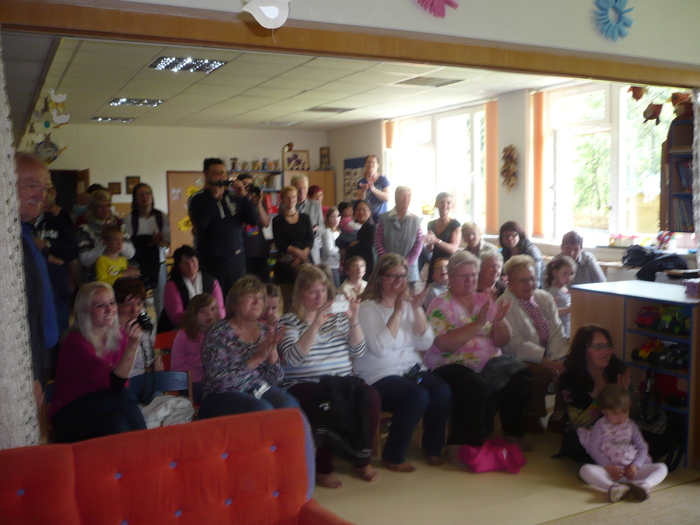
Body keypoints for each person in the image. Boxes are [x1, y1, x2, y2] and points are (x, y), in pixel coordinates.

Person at [278, 265, 380, 488]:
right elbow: (293, 359)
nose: (319, 297)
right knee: (328, 402)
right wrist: (315, 324)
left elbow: (358, 351)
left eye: (323, 291)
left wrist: (353, 320)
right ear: (300, 294)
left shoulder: (339, 318)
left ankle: (361, 459)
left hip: (341, 380)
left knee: (370, 396)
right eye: (312, 292)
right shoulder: (288, 321)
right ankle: (322, 467)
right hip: (304, 383)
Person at [425, 251, 532, 456]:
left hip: (487, 359)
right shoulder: (440, 304)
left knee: (518, 372)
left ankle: (513, 431)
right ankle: (461, 444)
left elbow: (502, 340)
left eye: (473, 275)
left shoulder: (484, 299)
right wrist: (479, 323)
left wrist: (498, 320)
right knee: (472, 385)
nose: (470, 280)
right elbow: (444, 344)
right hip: (449, 363)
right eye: (463, 276)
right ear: (450, 277)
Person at [356, 254, 451, 470]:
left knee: (441, 390)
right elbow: (380, 348)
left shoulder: (408, 305)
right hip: (378, 374)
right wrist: (398, 312)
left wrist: (415, 308)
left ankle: (433, 448)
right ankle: (393, 455)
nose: (398, 281)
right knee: (417, 395)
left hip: (409, 369)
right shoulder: (367, 308)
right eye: (392, 276)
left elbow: (425, 342)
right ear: (379, 278)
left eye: (402, 276)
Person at [48, 282, 147, 442]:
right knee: (121, 397)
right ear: (85, 311)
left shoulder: (119, 335)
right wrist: (133, 346)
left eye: (112, 303)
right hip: (70, 414)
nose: (109, 309)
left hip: (105, 408)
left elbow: (123, 383)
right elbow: (116, 383)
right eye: (100, 306)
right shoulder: (75, 342)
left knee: (116, 422)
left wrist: (131, 344)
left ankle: (136, 454)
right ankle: (147, 446)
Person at [197, 275, 299, 419]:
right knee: (262, 409)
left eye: (261, 298)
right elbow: (219, 381)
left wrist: (272, 351)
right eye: (251, 297)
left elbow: (275, 380)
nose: (257, 302)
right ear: (234, 303)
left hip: (257, 388)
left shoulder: (264, 331)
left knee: (289, 405)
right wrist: (257, 358)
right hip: (220, 395)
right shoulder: (218, 332)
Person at [499, 254, 569, 432]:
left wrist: (557, 359)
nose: (529, 284)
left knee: (568, 366)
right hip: (518, 356)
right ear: (510, 283)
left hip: (549, 354)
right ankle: (533, 414)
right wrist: (546, 362)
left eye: (531, 278)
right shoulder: (504, 304)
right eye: (522, 280)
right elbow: (515, 343)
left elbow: (557, 330)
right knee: (540, 372)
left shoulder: (544, 298)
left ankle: (559, 414)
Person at [16, 152, 60, 400]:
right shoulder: (8, 244)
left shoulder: (24, 234)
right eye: (31, 186)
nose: (40, 196)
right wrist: (30, 372)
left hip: (38, 356)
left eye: (44, 188)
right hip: (22, 367)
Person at [578, 384, 668, 502]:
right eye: (615, 413)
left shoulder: (631, 425)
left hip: (631, 472)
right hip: (610, 472)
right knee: (585, 470)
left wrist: (635, 466)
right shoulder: (600, 425)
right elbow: (593, 448)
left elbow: (642, 447)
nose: (621, 417)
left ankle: (643, 486)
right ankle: (614, 488)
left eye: (625, 412)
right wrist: (608, 466)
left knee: (662, 467)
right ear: (604, 410)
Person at [188, 158, 258, 296]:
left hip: (236, 261)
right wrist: (214, 197)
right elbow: (201, 224)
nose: (221, 176)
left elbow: (254, 220)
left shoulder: (234, 197)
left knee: (238, 299)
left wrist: (244, 196)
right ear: (206, 174)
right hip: (212, 262)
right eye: (215, 172)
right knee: (214, 301)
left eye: (223, 172)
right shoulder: (197, 199)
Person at [35, 180, 79, 336]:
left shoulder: (57, 221)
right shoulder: (21, 225)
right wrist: (45, 256)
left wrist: (47, 244)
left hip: (57, 286)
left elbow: (72, 250)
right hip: (33, 288)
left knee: (60, 332)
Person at [124, 183, 171, 319]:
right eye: (141, 194)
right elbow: (129, 244)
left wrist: (154, 242)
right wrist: (151, 241)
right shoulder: (129, 219)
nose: (145, 197)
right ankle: (142, 327)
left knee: (161, 300)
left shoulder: (161, 217)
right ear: (135, 198)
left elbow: (166, 242)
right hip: (137, 265)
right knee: (138, 300)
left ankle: (161, 329)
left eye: (148, 193)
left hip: (159, 263)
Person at [158, 245, 225, 333]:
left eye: (193, 261)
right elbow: (176, 317)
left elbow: (220, 310)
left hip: (209, 325)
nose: (190, 265)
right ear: (178, 266)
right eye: (184, 263)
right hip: (180, 328)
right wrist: (203, 317)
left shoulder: (211, 281)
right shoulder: (172, 285)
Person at [171, 293, 221, 403]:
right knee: (215, 395)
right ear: (193, 315)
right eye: (202, 311)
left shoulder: (221, 332)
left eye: (213, 309)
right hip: (190, 383)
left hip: (215, 382)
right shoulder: (184, 334)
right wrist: (199, 377)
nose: (209, 314)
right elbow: (176, 367)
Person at [76, 189, 135, 283]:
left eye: (108, 205)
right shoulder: (84, 229)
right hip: (94, 279)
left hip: (120, 279)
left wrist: (114, 236)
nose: (105, 210)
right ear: (92, 208)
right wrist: (104, 241)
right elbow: (85, 261)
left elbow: (130, 254)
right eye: (100, 206)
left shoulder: (119, 226)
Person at [113, 277, 162, 379]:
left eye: (139, 303)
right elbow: (115, 374)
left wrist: (154, 366)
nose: (135, 310)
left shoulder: (146, 321)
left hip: (148, 379)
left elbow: (149, 357)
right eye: (128, 305)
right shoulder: (111, 330)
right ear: (116, 305)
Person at [376, 186, 423, 284]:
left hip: (409, 272)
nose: (406, 199)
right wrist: (389, 262)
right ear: (396, 197)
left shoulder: (415, 220)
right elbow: (378, 242)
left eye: (408, 196)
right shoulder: (384, 218)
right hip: (388, 270)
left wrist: (405, 263)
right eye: (402, 195)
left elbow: (419, 244)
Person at [272, 185, 314, 285]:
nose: (291, 200)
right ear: (282, 199)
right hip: (285, 263)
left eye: (293, 197)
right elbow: (279, 242)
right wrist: (298, 252)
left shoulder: (305, 218)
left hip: (305, 259)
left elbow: (310, 238)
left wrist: (302, 255)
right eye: (287, 197)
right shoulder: (277, 220)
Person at [237, 173, 271, 283]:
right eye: (245, 185)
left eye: (250, 184)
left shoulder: (257, 202)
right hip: (243, 254)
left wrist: (258, 204)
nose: (248, 187)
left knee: (264, 285)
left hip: (259, 253)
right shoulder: (235, 203)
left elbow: (266, 223)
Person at [424, 193, 461, 283]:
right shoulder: (430, 224)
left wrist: (435, 240)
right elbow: (429, 249)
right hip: (434, 263)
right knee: (430, 289)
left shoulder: (455, 224)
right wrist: (428, 243)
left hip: (448, 265)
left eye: (448, 202)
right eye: (441, 202)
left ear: (452, 206)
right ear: (436, 204)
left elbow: (453, 249)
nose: (445, 205)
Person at [291, 173, 324, 264]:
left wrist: (315, 230)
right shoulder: (286, 206)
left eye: (304, 188)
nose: (301, 191)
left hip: (312, 252)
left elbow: (322, 227)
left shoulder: (316, 205)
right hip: (294, 253)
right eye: (298, 188)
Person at [499, 221, 544, 288]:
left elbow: (536, 282)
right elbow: (500, 277)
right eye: (506, 236)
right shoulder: (504, 252)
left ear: (520, 235)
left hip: (535, 289)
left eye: (513, 235)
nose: (509, 238)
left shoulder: (531, 251)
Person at [544, 255, 577, 339]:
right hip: (559, 333)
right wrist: (569, 309)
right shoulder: (553, 291)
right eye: (565, 274)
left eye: (571, 274)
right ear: (555, 273)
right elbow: (551, 312)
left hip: (567, 329)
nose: (569, 277)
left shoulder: (565, 289)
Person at [343, 200, 376, 276]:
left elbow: (366, 245)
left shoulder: (370, 227)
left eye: (364, 209)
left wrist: (350, 247)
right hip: (351, 267)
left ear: (369, 211)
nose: (361, 212)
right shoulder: (350, 226)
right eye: (358, 210)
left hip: (363, 268)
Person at [356, 154, 390, 223]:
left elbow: (387, 198)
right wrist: (363, 191)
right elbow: (360, 201)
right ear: (365, 165)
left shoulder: (383, 180)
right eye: (368, 162)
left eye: (373, 162)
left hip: (381, 219)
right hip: (366, 219)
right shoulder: (361, 182)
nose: (370, 164)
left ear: (378, 165)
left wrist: (373, 189)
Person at [321, 207, 341, 287]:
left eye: (338, 216)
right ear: (328, 219)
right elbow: (329, 250)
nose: (336, 219)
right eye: (333, 217)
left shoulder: (339, 231)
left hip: (339, 265)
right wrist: (341, 251)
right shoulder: (327, 232)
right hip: (330, 266)